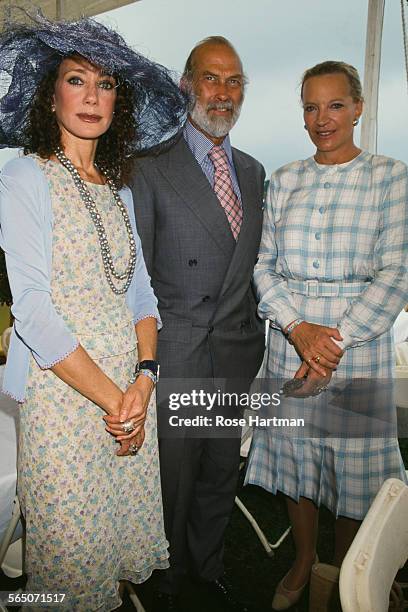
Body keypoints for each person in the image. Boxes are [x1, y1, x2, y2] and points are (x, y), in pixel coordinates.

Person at [0, 11, 186, 611]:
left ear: (118, 104)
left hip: (129, 394)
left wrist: (145, 379)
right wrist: (115, 400)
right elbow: (30, 309)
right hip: (67, 397)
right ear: (50, 93)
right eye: (77, 80)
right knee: (70, 567)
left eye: (105, 85)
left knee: (114, 549)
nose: (91, 97)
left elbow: (143, 298)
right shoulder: (23, 178)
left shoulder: (119, 188)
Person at [245, 60, 408, 611]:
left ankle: (344, 569)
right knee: (296, 462)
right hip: (288, 340)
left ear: (358, 107)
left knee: (352, 467)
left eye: (335, 105)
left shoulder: (392, 176)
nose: (322, 119)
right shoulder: (284, 179)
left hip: (355, 350)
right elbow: (263, 267)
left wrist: (330, 345)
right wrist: (298, 331)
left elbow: (396, 273)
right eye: (311, 107)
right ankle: (302, 560)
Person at [129, 36, 265, 611]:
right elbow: (134, 281)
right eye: (211, 78)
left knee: (217, 475)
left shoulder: (256, 173)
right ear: (187, 84)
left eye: (234, 81)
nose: (223, 92)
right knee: (172, 483)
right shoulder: (149, 168)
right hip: (178, 354)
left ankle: (205, 571)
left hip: (235, 352)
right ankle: (165, 579)